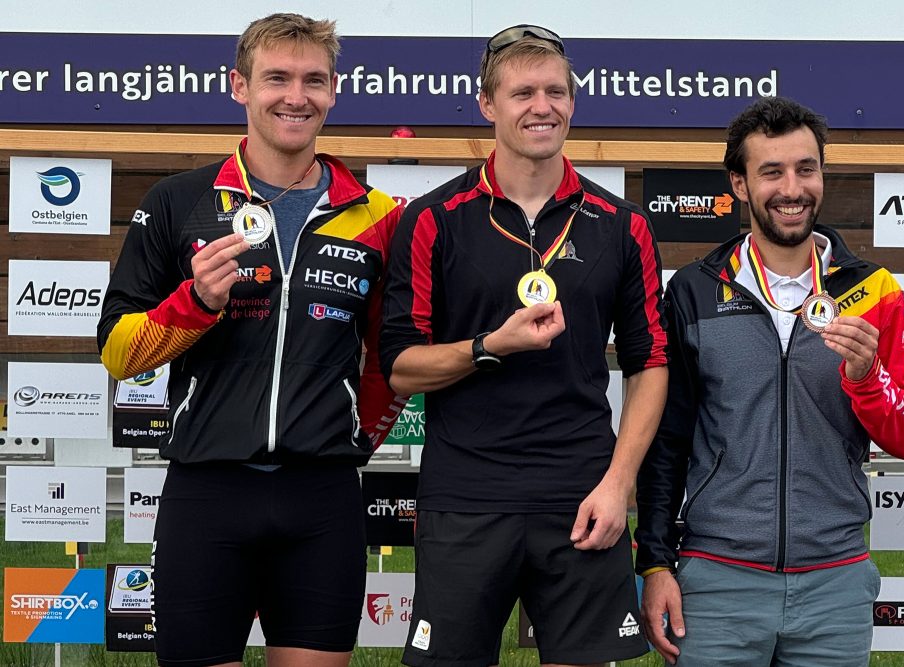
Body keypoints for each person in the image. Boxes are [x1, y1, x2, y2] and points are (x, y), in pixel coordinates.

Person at [98, 13, 404, 667]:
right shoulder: (180, 200)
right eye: (277, 78)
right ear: (239, 86)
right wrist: (196, 302)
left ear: (333, 90)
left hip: (321, 497)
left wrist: (352, 439)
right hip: (207, 490)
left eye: (313, 80)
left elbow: (390, 359)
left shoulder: (378, 216)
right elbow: (119, 352)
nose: (296, 96)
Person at [379, 24, 668, 667]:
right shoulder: (433, 218)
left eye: (556, 92)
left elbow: (650, 362)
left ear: (573, 101)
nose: (543, 107)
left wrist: (619, 485)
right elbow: (400, 369)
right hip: (465, 496)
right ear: (487, 104)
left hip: (582, 493)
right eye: (523, 93)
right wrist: (489, 346)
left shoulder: (623, 225)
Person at [635, 96, 904, 666]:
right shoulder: (694, 290)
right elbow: (666, 440)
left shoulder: (874, 291)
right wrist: (654, 562)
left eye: (806, 169)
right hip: (718, 580)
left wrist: (868, 377)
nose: (792, 188)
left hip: (834, 583)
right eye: (771, 172)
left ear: (823, 174)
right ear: (740, 185)